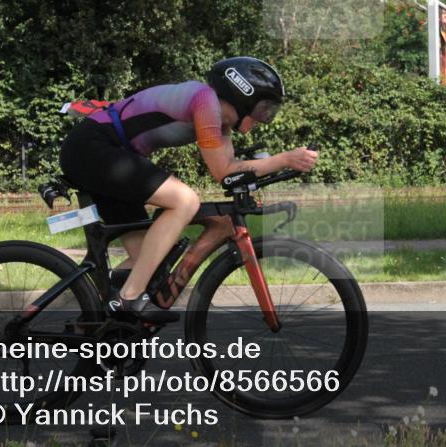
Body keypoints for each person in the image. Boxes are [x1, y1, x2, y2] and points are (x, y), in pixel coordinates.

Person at [58, 57, 318, 323]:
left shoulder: (221, 124)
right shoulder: (205, 102)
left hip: (112, 154)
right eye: (263, 109)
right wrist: (284, 159)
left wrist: (279, 164)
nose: (264, 118)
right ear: (242, 97)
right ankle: (128, 298)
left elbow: (230, 173)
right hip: (94, 147)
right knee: (185, 201)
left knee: (146, 261)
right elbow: (222, 171)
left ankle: (95, 321)